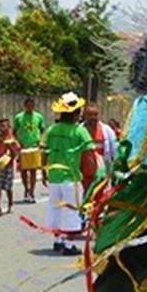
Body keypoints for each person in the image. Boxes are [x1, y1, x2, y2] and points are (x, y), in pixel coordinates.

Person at [41, 92, 95, 256]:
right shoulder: (80, 132)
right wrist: (91, 174)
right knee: (71, 209)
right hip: (71, 178)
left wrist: (44, 172)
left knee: (55, 208)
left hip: (54, 177)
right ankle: (69, 244)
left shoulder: (52, 130)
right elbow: (89, 156)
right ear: (76, 113)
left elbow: (45, 152)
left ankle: (58, 241)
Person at [13, 97, 45, 204]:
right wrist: (17, 143)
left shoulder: (38, 117)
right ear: (24, 106)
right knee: (23, 170)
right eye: (28, 106)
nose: (30, 108)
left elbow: (42, 130)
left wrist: (40, 141)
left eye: (32, 105)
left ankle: (32, 191)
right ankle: (26, 189)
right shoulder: (19, 117)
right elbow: (14, 131)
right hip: (23, 147)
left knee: (33, 170)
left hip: (34, 146)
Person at [81, 104, 118, 191]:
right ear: (84, 115)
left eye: (95, 114)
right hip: (84, 174)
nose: (93, 117)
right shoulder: (79, 130)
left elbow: (115, 151)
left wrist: (115, 170)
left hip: (102, 173)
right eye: (90, 115)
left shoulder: (107, 131)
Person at [0, 118, 20, 216]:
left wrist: (11, 146)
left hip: (8, 165)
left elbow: (17, 152)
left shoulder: (12, 140)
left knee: (8, 187)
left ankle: (10, 204)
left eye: (4, 126)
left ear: (8, 127)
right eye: (0, 126)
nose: (2, 128)